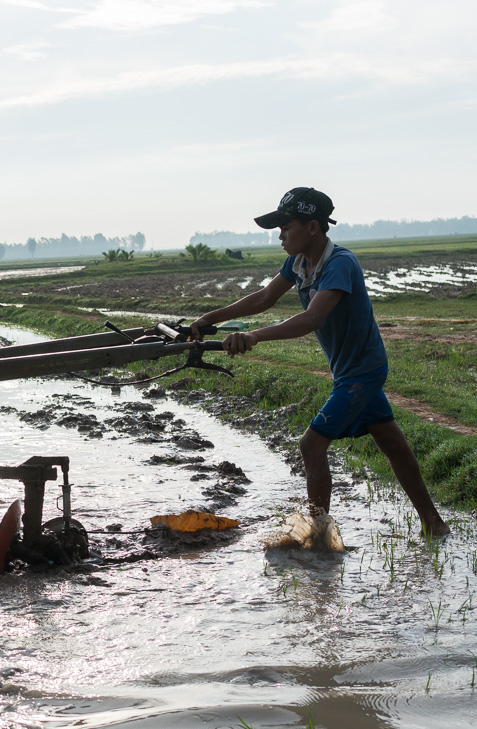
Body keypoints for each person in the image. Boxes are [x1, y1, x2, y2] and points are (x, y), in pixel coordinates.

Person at [189, 187, 449, 536]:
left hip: (363, 370)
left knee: (310, 445)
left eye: (286, 227)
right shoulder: (298, 263)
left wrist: (254, 336)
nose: (280, 235)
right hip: (347, 370)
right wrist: (210, 318)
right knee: (392, 443)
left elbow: (312, 318)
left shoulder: (339, 263)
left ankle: (318, 535)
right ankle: (434, 523)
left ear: (313, 228)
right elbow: (264, 297)